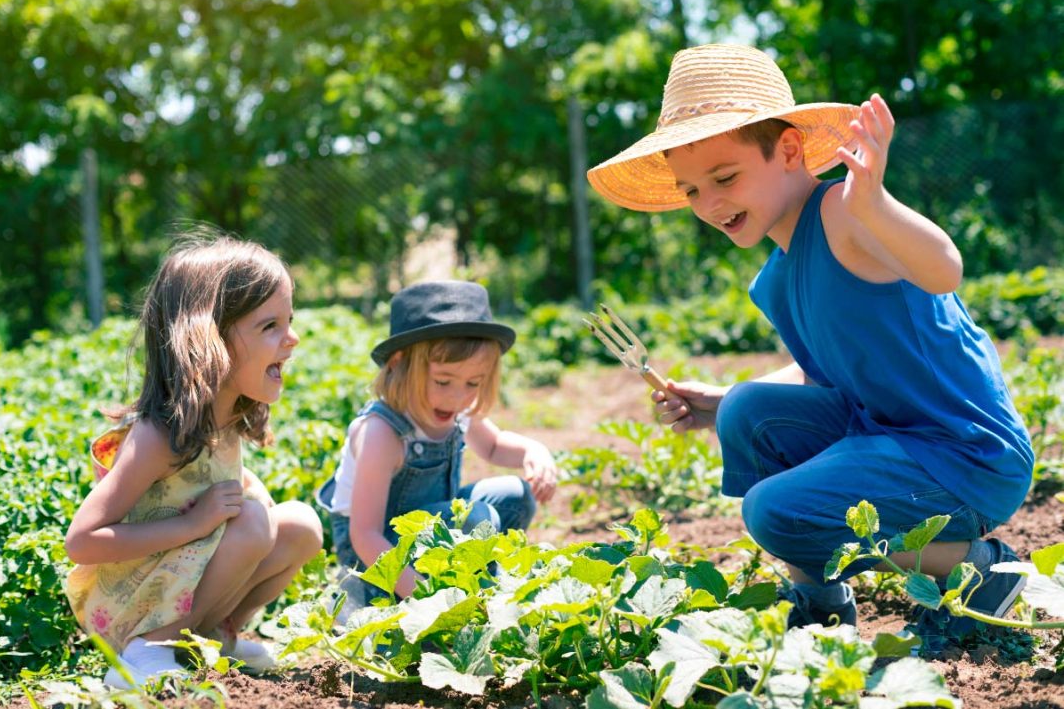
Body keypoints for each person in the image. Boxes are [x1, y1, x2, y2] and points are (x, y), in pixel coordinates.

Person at [586, 43, 1033, 651]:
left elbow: (945, 269)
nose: (710, 204)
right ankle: (820, 598)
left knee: (775, 512)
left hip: (963, 457)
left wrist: (873, 202)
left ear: (790, 151)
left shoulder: (844, 214)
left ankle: (978, 568)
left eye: (724, 178)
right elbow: (825, 372)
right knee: (748, 410)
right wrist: (718, 403)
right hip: (893, 442)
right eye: (691, 191)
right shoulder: (774, 278)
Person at [63, 233, 324, 688]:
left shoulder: (227, 416)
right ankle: (146, 654)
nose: (293, 337)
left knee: (300, 524)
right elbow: (82, 542)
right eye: (270, 326)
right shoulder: (158, 436)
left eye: (290, 320)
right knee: (254, 524)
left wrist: (245, 493)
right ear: (210, 340)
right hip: (131, 604)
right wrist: (193, 525)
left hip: (182, 584)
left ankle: (214, 636)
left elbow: (216, 487)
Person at [322, 280, 557, 607]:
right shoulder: (382, 433)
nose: (458, 396)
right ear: (398, 364)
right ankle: (413, 603)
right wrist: (429, 602)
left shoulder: (456, 410)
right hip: (376, 565)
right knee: (477, 517)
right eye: (443, 381)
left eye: (473, 383)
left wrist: (536, 451)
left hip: (429, 538)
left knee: (517, 496)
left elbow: (493, 446)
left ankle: (479, 590)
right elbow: (365, 537)